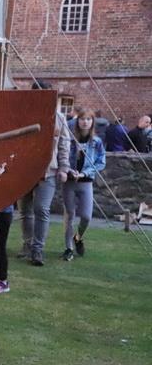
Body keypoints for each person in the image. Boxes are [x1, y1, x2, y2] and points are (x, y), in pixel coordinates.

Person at [16, 81, 70, 266]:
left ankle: (37, 249)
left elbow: (64, 144)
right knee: (25, 210)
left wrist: (64, 167)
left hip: (48, 171)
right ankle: (27, 244)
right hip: (24, 170)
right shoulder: (23, 114)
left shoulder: (59, 118)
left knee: (41, 209)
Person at [61, 108, 106, 261]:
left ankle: (78, 237)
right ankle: (68, 248)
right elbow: (62, 156)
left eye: (88, 119)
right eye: (82, 119)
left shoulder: (96, 142)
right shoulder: (69, 139)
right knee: (69, 215)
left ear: (92, 122)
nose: (85, 122)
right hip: (69, 182)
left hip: (86, 182)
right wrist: (69, 170)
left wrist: (84, 173)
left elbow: (101, 162)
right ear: (77, 121)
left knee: (86, 216)